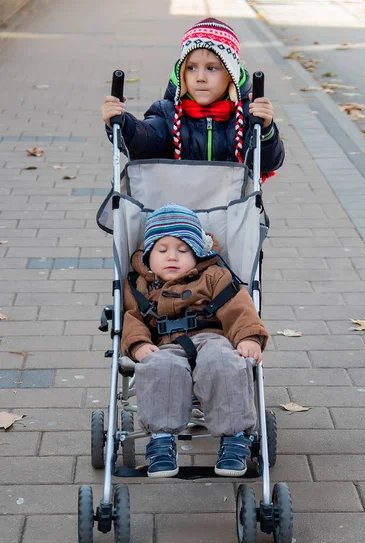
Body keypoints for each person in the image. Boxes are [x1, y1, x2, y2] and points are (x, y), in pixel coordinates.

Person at [122, 203, 269, 478]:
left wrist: (248, 337)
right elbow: (132, 318)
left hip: (212, 338)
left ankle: (234, 437)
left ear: (198, 252)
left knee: (224, 361)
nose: (172, 257)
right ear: (148, 255)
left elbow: (238, 309)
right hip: (165, 344)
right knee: (158, 367)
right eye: (162, 250)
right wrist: (138, 343)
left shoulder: (214, 276)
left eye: (183, 250)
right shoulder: (141, 285)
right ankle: (162, 440)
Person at [101, 18, 284, 176]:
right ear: (182, 74)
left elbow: (268, 163)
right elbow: (147, 142)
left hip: (234, 210)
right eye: (191, 68)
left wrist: (265, 129)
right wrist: (122, 124)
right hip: (178, 208)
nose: (200, 77)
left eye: (212, 68)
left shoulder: (245, 116)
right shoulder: (167, 113)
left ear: (231, 74)